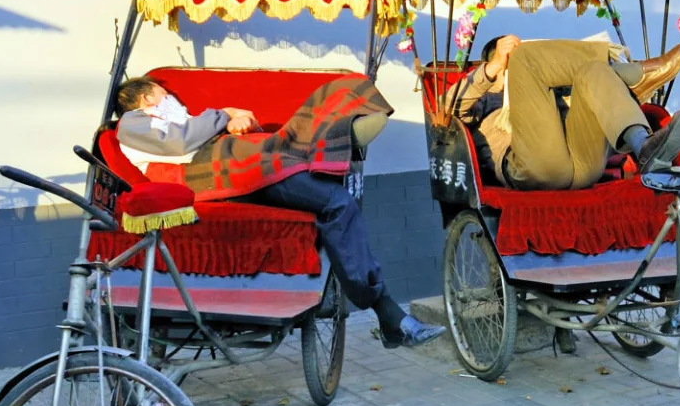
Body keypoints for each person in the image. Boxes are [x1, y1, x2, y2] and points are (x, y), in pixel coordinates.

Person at [113, 76, 446, 349]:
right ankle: (389, 315)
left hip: (235, 161)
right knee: (335, 201)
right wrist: (224, 114)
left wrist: (228, 121)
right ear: (146, 98)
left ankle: (334, 131)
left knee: (316, 166)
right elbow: (181, 143)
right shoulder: (134, 122)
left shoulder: (159, 119)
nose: (173, 98)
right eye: (165, 94)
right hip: (220, 170)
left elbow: (188, 134)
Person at [442, 35, 680, 191]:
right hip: (534, 167)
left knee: (592, 72)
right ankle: (629, 74)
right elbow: (447, 109)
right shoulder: (485, 97)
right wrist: (496, 67)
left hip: (584, 166)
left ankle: (644, 146)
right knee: (525, 58)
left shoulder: (546, 86)